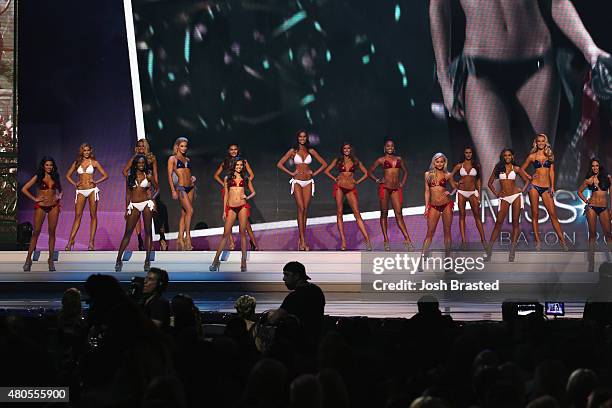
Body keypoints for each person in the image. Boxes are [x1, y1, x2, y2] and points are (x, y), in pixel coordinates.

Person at [430, 0, 610, 180]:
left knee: (540, 176)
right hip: (481, 71)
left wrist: (589, 48)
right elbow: (438, 6)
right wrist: (444, 78)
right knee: (500, 180)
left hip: (537, 67)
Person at [277, 130, 328, 251]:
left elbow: (324, 164)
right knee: (301, 208)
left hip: (308, 182)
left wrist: (313, 172)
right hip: (297, 181)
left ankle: (302, 238)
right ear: (297, 138)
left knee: (305, 209)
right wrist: (291, 173)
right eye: (300, 136)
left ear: (307, 138)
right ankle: (303, 242)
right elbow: (279, 164)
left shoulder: (311, 151)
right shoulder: (293, 151)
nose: (302, 138)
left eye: (304, 137)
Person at [521, 134, 569, 251]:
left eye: (543, 141)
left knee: (553, 215)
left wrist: (552, 186)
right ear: (536, 143)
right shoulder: (532, 156)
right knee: (535, 214)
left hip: (546, 187)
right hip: (534, 186)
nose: (541, 143)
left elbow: (552, 171)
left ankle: (563, 242)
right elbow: (521, 169)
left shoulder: (549, 155)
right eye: (539, 141)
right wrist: (529, 177)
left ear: (545, 142)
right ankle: (538, 242)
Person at [210, 158, 256, 272]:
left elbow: (253, 192)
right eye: (237, 165)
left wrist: (247, 197)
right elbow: (226, 195)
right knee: (225, 234)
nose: (239, 167)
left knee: (243, 233)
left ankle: (243, 262)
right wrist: (224, 210)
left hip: (242, 206)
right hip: (231, 207)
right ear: (234, 166)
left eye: (241, 165)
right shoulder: (227, 178)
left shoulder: (245, 178)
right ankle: (216, 260)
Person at [324, 142, 372, 251]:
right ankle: (343, 241)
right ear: (342, 150)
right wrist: (335, 178)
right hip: (339, 187)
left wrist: (357, 181)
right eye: (345, 148)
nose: (346, 150)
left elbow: (366, 173)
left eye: (348, 148)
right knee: (339, 213)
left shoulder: (355, 161)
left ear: (351, 150)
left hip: (350, 188)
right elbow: (326, 171)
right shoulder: (338, 160)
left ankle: (367, 240)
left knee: (357, 213)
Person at [268, 261, 325, 351]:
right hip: (317, 340)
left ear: (297, 276)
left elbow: (273, 319)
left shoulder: (294, 297)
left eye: (286, 275)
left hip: (299, 345)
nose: (283, 279)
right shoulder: (317, 290)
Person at [368, 140, 414, 251]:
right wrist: (378, 180)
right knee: (384, 213)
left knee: (399, 213)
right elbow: (369, 172)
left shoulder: (399, 159)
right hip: (385, 188)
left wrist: (402, 183)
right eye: (388, 146)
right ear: (385, 148)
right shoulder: (381, 160)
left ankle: (407, 239)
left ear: (394, 148)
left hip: (395, 189)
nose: (390, 147)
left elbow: (406, 172)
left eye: (392, 146)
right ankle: (386, 240)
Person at [487, 149, 531, 262]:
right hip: (504, 197)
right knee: (498, 223)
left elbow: (527, 181)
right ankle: (489, 251)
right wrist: (497, 194)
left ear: (512, 156)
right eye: (505, 155)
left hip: (516, 196)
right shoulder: (498, 168)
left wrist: (522, 190)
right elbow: (489, 182)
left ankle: (512, 251)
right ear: (503, 157)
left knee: (515, 223)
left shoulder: (516, 168)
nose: (507, 157)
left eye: (509, 155)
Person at [115, 155, 157, 272]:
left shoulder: (148, 175)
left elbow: (157, 188)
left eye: (143, 163)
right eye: (139, 163)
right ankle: (118, 259)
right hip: (134, 205)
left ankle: (147, 260)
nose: (141, 165)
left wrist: (152, 199)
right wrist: (126, 209)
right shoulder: (129, 177)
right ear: (135, 164)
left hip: (146, 204)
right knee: (127, 233)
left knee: (148, 232)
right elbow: (128, 194)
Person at [214, 143, 258, 251]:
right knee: (228, 217)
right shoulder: (226, 162)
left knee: (246, 221)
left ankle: (253, 242)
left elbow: (251, 174)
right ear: (229, 151)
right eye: (231, 149)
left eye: (235, 149)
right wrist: (225, 185)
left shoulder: (243, 161)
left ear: (238, 150)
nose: (233, 151)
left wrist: (243, 183)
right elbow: (216, 175)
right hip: (229, 191)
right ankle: (231, 243)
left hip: (239, 192)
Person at [21, 156, 63, 271]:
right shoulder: (38, 176)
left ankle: (50, 260)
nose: (49, 167)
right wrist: (34, 198)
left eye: (51, 165)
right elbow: (24, 189)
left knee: (52, 232)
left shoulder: (56, 176)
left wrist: (59, 196)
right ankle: (28, 259)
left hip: (54, 206)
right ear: (43, 166)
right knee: (36, 232)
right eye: (47, 165)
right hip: (41, 206)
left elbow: (60, 189)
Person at [64, 143, 108, 251]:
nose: (87, 152)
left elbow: (106, 175)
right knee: (77, 216)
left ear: (90, 151)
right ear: (82, 151)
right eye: (85, 150)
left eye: (88, 150)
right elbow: (67, 175)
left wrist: (96, 181)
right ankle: (71, 241)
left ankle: (91, 242)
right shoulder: (77, 163)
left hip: (92, 190)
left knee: (93, 216)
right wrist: (75, 183)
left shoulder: (94, 162)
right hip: (81, 191)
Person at [123, 138, 165, 250]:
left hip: (149, 189)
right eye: (139, 146)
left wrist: (153, 187)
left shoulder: (152, 158)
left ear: (146, 146)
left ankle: (162, 238)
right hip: (137, 189)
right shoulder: (134, 158)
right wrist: (132, 181)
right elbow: (125, 171)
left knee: (155, 215)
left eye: (143, 146)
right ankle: (140, 241)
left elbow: (155, 175)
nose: (141, 148)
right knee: (136, 217)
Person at [420, 153, 457, 261]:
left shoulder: (447, 175)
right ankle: (422, 258)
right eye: (437, 161)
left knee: (447, 231)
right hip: (434, 206)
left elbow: (455, 187)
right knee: (430, 232)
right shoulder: (428, 174)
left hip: (446, 205)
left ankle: (447, 258)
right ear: (434, 162)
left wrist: (450, 193)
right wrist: (426, 207)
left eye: (442, 161)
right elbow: (427, 191)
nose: (440, 163)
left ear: (444, 162)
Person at [577, 158, 612, 270]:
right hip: (592, 207)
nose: (595, 168)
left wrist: (611, 209)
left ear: (600, 166)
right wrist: (587, 201)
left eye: (596, 165)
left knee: (608, 234)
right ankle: (591, 263)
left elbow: (611, 195)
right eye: (593, 166)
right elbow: (579, 191)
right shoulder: (589, 180)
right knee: (592, 234)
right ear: (591, 167)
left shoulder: (608, 178)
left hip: (604, 208)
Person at [450, 146, 486, 250]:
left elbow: (478, 180)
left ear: (472, 153)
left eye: (470, 152)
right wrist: (455, 184)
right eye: (466, 152)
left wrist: (478, 194)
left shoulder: (477, 165)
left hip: (472, 192)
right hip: (461, 192)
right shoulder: (459, 166)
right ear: (464, 154)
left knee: (477, 216)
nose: (468, 154)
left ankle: (483, 240)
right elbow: (450, 176)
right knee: (462, 216)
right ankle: (464, 241)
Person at [167, 137, 195, 250]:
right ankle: (188, 238)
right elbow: (169, 175)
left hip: (191, 187)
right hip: (181, 188)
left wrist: (192, 178)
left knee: (184, 213)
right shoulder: (172, 159)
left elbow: (187, 173)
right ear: (177, 146)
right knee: (190, 211)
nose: (184, 148)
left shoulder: (187, 159)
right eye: (182, 146)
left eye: (185, 146)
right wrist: (173, 190)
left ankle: (179, 238)